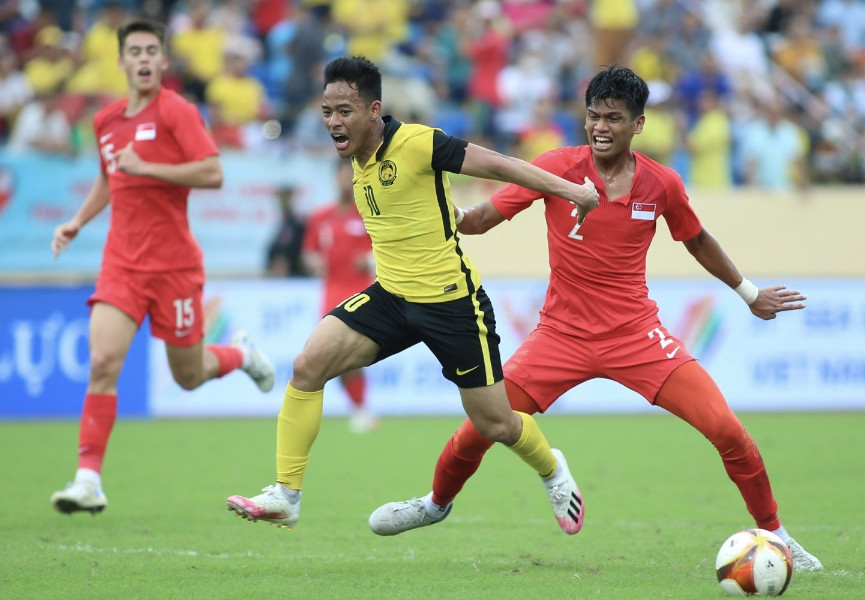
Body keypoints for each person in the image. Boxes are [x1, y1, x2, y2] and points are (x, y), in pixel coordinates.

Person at [367, 65, 825, 572]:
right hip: (559, 337)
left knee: (728, 431)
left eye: (613, 117)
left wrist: (749, 292)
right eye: (593, 116)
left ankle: (778, 535)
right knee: (482, 427)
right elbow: (478, 221)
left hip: (637, 338)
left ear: (639, 124)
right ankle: (435, 504)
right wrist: (439, 209)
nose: (600, 126)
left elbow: (695, 239)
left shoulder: (662, 184)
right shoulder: (556, 168)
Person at [224, 55, 600, 533]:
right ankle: (286, 494)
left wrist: (571, 191)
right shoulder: (356, 161)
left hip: (453, 303)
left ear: (373, 110)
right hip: (393, 298)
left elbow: (501, 166)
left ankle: (553, 470)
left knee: (497, 425)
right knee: (307, 367)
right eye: (327, 111)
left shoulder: (418, 143)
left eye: (344, 110)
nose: (333, 122)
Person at [48, 19, 275, 516]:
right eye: (136, 51)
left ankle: (239, 355)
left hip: (174, 268)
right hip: (122, 266)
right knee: (103, 363)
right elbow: (110, 178)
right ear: (122, 61)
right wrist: (77, 222)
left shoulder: (177, 111)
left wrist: (149, 167)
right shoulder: (105, 121)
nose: (145, 58)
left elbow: (213, 171)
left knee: (188, 376)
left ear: (164, 61)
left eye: (153, 50)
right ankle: (88, 480)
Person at [302, 159, 377, 432]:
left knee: (351, 353)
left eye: (351, 176)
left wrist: (369, 260)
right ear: (335, 179)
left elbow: (383, 248)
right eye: (343, 175)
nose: (347, 180)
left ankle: (361, 408)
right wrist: (313, 262)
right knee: (333, 356)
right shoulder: (321, 216)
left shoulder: (369, 213)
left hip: (362, 294)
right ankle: (359, 409)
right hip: (331, 293)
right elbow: (309, 251)